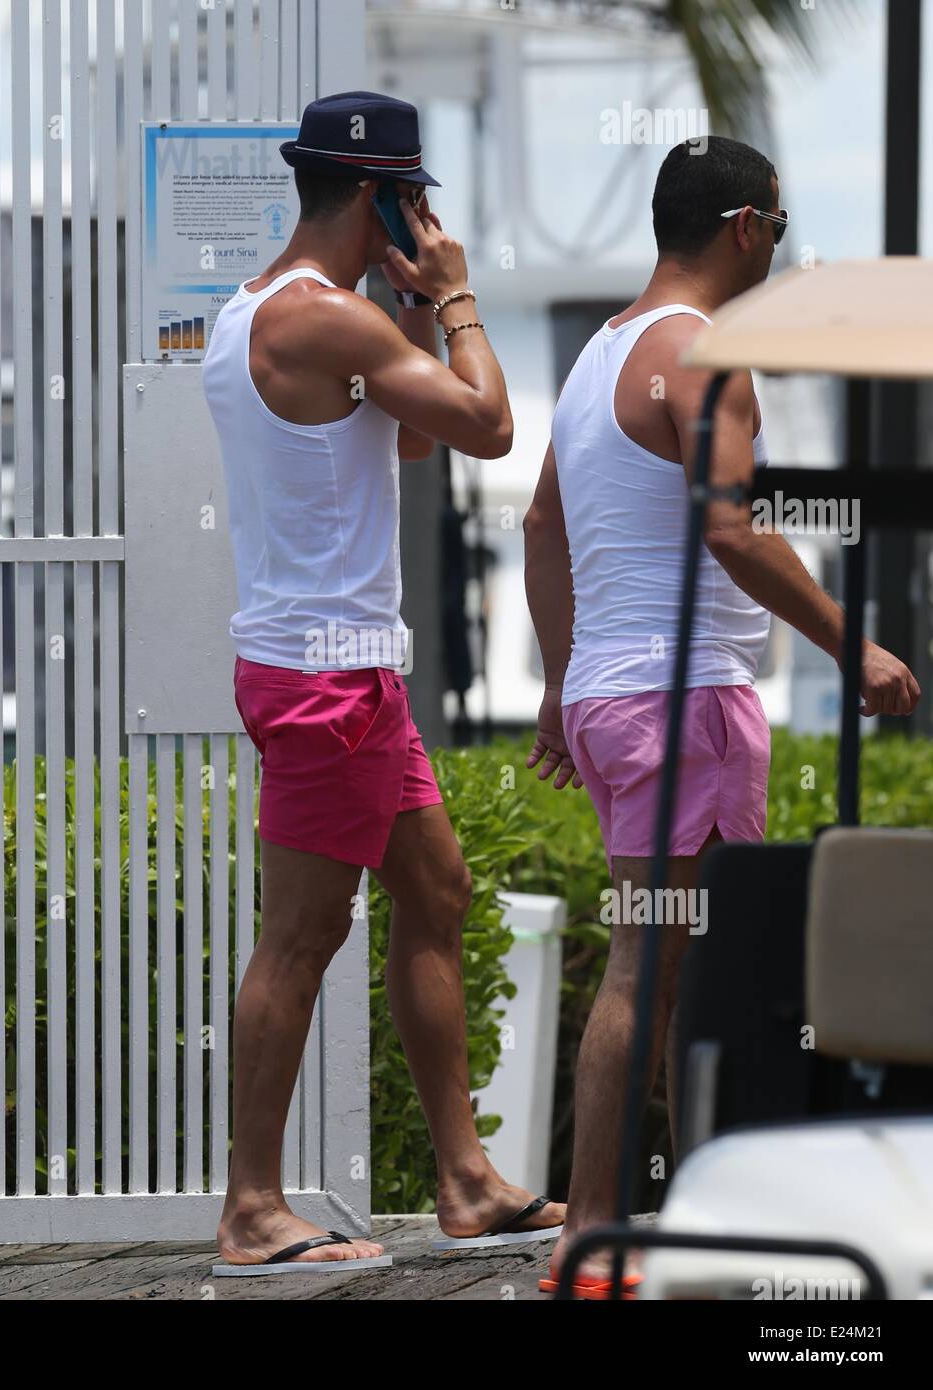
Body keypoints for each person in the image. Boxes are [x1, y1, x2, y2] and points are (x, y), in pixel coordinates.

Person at [523, 135, 921, 1298]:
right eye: (780, 231)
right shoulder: (705, 355)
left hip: (611, 688)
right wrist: (853, 644)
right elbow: (731, 527)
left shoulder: (598, 356)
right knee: (663, 964)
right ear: (745, 227)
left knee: (656, 956)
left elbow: (544, 526)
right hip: (682, 693)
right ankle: (610, 1234)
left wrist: (560, 678)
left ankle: (617, 1225)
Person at [202, 90, 565, 1271]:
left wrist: (405, 308)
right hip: (326, 678)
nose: (426, 222)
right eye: (416, 204)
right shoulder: (323, 324)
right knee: (300, 936)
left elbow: (407, 438)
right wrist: (451, 297)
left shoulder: (258, 311)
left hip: (342, 670)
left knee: (439, 887)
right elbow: (489, 427)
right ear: (383, 200)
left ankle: (462, 1179)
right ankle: (252, 1208)